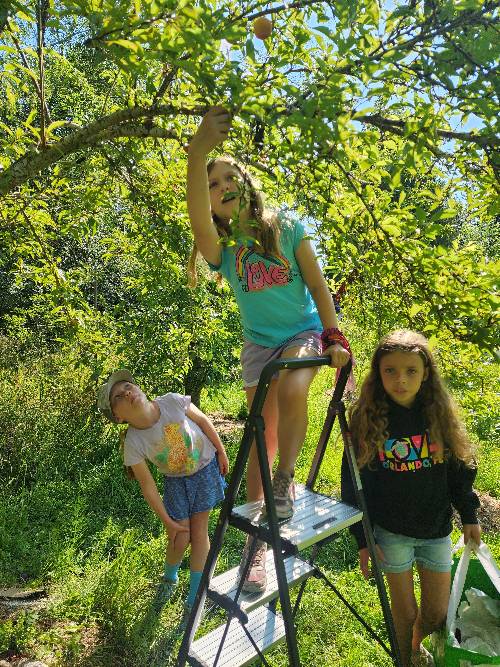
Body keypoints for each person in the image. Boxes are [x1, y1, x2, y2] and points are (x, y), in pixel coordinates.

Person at [186, 106, 351, 593]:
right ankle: (255, 552)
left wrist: (334, 334)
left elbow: (320, 289)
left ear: (247, 180)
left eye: (228, 175)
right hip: (260, 348)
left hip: (301, 335)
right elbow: (196, 216)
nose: (221, 188)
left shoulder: (289, 228)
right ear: (211, 206)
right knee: (263, 437)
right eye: (211, 185)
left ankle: (286, 480)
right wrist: (198, 155)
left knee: (296, 379)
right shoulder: (225, 249)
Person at [341, 330, 481, 667]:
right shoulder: (367, 418)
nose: (400, 380)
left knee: (435, 614)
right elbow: (353, 481)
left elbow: (460, 468)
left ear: (426, 373)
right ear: (378, 373)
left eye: (411, 370)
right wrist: (362, 539)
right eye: (390, 370)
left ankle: (418, 649)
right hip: (390, 532)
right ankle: (406, 659)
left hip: (435, 529)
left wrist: (470, 514)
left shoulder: (439, 414)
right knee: (404, 614)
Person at [97, 369, 229, 620]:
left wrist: (221, 451)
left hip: (204, 470)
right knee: (180, 537)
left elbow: (203, 421)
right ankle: (169, 580)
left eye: (127, 386)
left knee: (199, 532)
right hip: (176, 482)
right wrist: (166, 521)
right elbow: (148, 485)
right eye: (118, 397)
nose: (126, 392)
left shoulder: (171, 401)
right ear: (117, 416)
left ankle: (194, 596)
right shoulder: (133, 443)